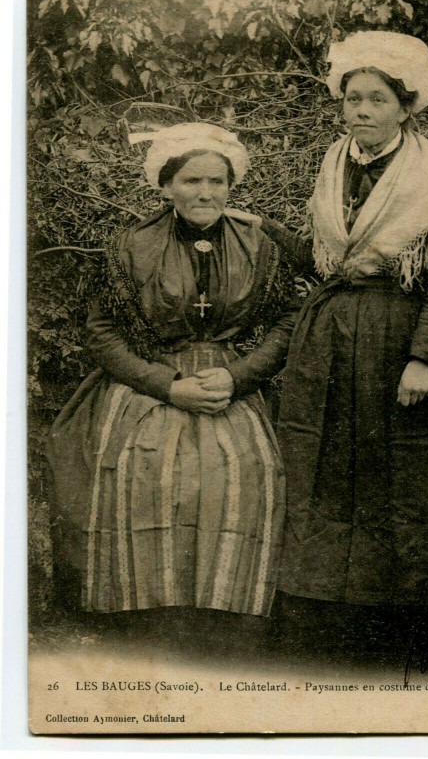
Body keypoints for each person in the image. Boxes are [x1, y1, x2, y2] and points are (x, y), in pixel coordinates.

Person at [258, 31, 428, 653]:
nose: (361, 110)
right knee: (324, 465)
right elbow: (328, 263)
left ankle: (403, 623)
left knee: (398, 473)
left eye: (377, 100)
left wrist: (421, 359)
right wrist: (267, 228)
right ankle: (323, 613)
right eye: (352, 98)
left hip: (393, 343)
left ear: (406, 108)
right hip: (328, 343)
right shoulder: (335, 164)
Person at [46, 123, 299, 650]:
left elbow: (288, 322)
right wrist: (166, 385)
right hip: (152, 376)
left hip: (230, 376)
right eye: (191, 181)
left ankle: (229, 618)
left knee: (244, 466)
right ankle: (144, 616)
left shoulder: (260, 244)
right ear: (166, 187)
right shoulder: (132, 244)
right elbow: (102, 332)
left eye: (217, 181)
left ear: (232, 186)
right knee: (146, 465)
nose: (205, 193)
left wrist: (239, 374)